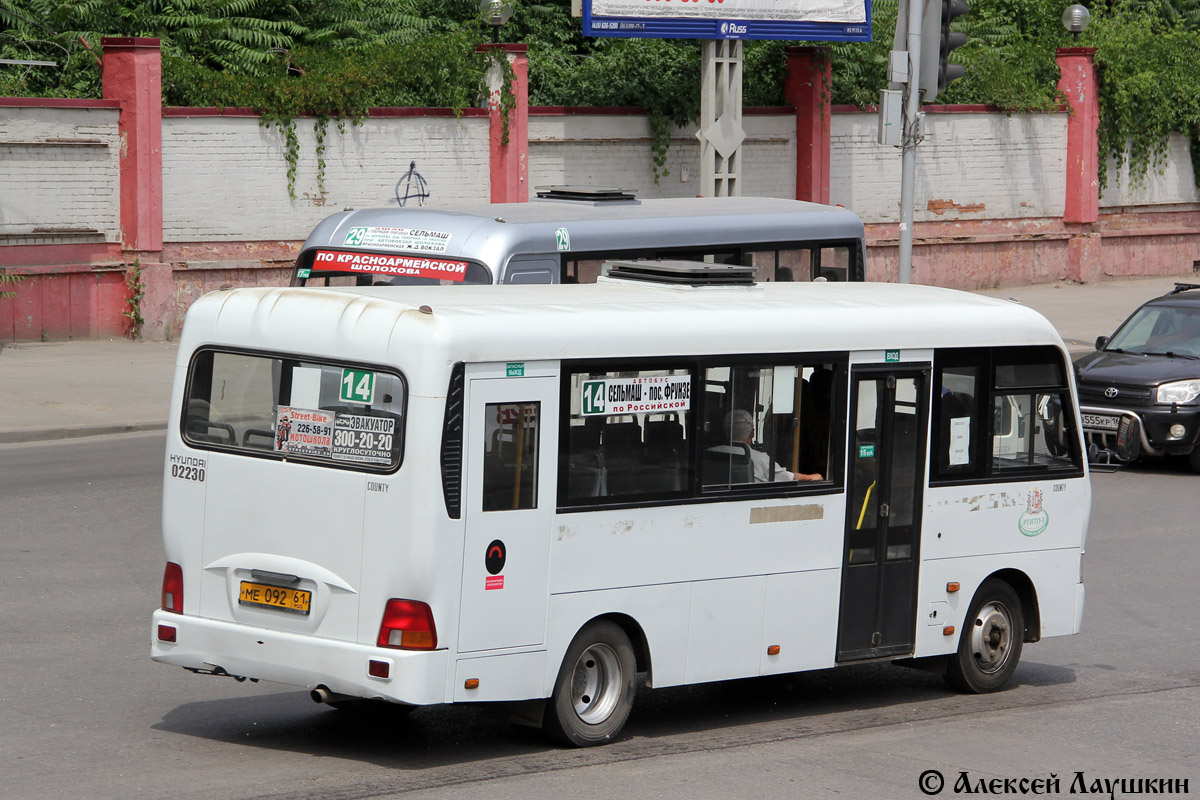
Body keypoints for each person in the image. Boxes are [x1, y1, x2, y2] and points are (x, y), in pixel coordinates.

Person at [725, 409, 822, 483]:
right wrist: (811, 477)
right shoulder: (760, 459)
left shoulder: (712, 452)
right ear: (752, 433)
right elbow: (787, 477)